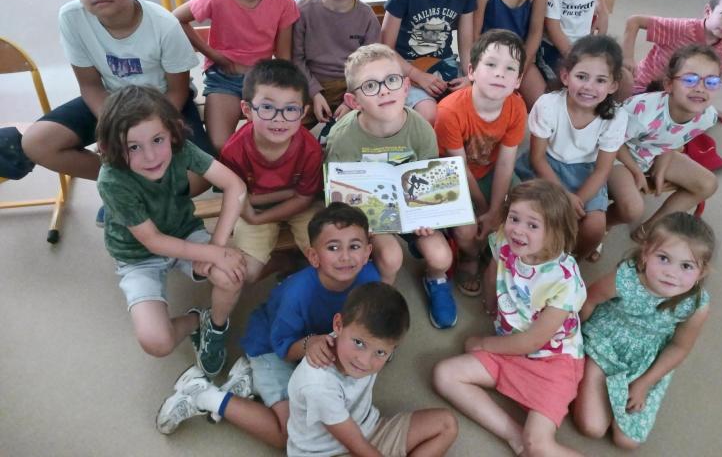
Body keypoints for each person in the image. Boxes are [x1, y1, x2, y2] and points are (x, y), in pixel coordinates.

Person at [155, 203, 381, 448]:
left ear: (367, 252)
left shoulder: (371, 280)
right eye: (333, 247)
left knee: (328, 414)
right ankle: (203, 394)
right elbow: (285, 349)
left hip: (316, 342)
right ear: (313, 256)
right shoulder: (297, 294)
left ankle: (251, 379)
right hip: (272, 348)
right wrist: (310, 344)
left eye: (354, 246)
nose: (346, 256)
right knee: (293, 436)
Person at [11, 0, 210, 189]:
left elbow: (178, 91)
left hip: (165, 103)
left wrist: (143, 133)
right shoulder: (71, 18)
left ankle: (145, 184)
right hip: (110, 100)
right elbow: (91, 86)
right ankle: (123, 183)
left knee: (200, 177)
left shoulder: (165, 25)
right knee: (36, 143)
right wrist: (115, 129)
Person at [95, 86, 246, 378]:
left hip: (184, 231)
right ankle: (197, 321)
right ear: (110, 147)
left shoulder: (181, 148)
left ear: (173, 133)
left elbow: (234, 185)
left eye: (157, 139)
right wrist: (213, 253)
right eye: (133, 147)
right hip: (137, 256)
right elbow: (153, 241)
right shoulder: (111, 180)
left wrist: (217, 245)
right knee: (157, 342)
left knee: (232, 274)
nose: (151, 156)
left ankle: (215, 326)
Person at [433, 180, 585, 457]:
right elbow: (494, 267)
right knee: (445, 375)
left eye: (532, 225)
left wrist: (483, 343)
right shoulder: (505, 237)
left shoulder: (565, 280)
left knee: (538, 445)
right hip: (511, 344)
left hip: (554, 361)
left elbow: (532, 341)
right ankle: (514, 437)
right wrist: (491, 302)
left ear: (556, 232)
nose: (518, 229)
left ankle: (528, 441)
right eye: (514, 218)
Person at [325, 44, 457, 329]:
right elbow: (339, 199)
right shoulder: (342, 138)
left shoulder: (421, 129)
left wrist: (426, 217)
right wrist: (366, 227)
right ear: (354, 100)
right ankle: (382, 296)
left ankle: (435, 279)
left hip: (412, 208)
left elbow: (429, 183)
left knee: (442, 256)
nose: (384, 91)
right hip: (371, 215)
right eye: (370, 85)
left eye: (392, 80)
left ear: (406, 87)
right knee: (391, 257)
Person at [573, 212, 714, 449]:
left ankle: (611, 391)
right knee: (592, 427)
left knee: (627, 441)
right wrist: (571, 340)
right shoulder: (626, 278)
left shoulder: (697, 305)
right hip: (604, 341)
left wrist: (645, 383)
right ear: (646, 253)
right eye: (664, 258)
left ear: (702, 272)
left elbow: (679, 347)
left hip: (645, 361)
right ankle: (584, 375)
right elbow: (589, 301)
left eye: (686, 266)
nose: (672, 273)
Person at [288, 282, 459, 457]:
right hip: (325, 452)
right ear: (338, 325)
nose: (364, 361)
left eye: (380, 352)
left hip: (368, 429)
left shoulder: (367, 348)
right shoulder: (318, 384)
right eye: (359, 343)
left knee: (446, 424)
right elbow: (355, 443)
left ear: (392, 350)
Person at [173, 0, 299, 153]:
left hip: (264, 77)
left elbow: (283, 59)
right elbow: (175, 19)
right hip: (224, 78)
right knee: (220, 145)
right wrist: (215, 56)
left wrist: (281, 92)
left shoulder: (283, 1)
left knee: (274, 141)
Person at [516, 35, 628, 261]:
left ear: (613, 85)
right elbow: (537, 159)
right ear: (566, 76)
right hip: (547, 166)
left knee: (594, 228)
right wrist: (564, 197)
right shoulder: (548, 105)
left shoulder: (616, 117)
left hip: (586, 172)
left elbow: (602, 170)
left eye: (600, 80)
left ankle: (572, 261)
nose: (589, 87)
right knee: (536, 218)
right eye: (581, 76)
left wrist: (578, 200)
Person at [434, 29, 527, 297]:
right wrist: (485, 209)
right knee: (467, 230)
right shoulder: (449, 111)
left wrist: (496, 209)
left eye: (510, 68)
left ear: (518, 80)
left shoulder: (517, 107)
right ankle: (470, 256)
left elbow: (506, 163)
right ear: (471, 71)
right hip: (451, 176)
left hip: (490, 172)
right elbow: (459, 168)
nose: (500, 74)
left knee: (526, 210)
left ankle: (496, 249)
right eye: (491, 64)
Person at [220, 59, 323, 283]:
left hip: (296, 208)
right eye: (267, 107)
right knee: (245, 274)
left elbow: (304, 199)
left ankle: (302, 265)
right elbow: (237, 196)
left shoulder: (311, 149)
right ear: (247, 110)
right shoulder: (234, 150)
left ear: (303, 112)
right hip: (255, 209)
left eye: (290, 109)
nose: (279, 118)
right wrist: (255, 208)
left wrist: (258, 217)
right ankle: (283, 262)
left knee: (325, 258)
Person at [607, 45, 720, 242]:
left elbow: (675, 139)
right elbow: (611, 141)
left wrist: (663, 162)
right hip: (618, 154)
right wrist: (636, 171)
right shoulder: (643, 112)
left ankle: (650, 229)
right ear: (668, 84)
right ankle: (603, 225)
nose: (700, 88)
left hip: (653, 152)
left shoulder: (708, 117)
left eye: (711, 82)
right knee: (632, 208)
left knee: (708, 184)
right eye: (690, 80)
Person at [621, 0, 722, 111]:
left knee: (700, 117)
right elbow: (634, 21)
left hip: (677, 94)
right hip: (645, 87)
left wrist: (706, 103)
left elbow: (715, 75)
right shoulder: (682, 29)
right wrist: (627, 57)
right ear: (708, 11)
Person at [293, 0, 381, 127]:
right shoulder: (302, 11)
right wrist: (314, 93)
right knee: (286, 126)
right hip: (308, 82)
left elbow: (369, 66)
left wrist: (351, 99)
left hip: (352, 85)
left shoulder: (367, 17)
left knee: (370, 126)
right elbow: (296, 59)